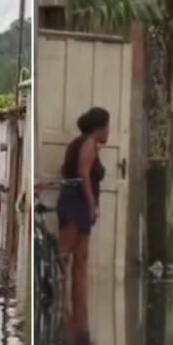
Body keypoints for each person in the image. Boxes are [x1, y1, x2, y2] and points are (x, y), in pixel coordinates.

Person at [57, 107, 109, 305]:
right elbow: (83, 173)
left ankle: (79, 304)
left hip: (77, 201)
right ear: (99, 128)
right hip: (75, 203)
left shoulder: (83, 145)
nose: (108, 132)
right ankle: (61, 302)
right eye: (107, 127)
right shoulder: (88, 143)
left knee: (80, 257)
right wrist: (91, 204)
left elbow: (67, 170)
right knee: (66, 255)